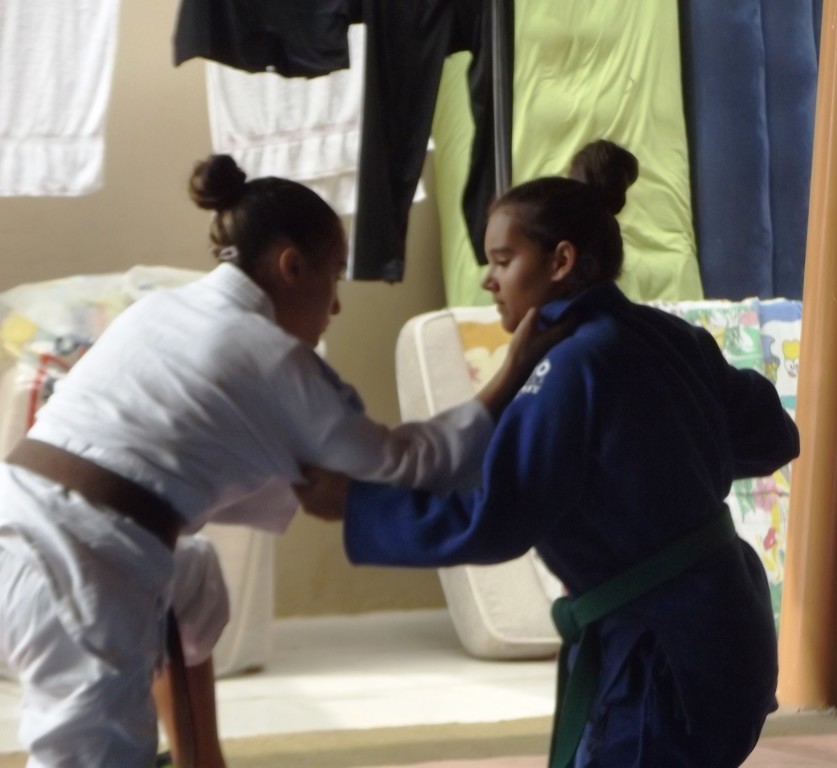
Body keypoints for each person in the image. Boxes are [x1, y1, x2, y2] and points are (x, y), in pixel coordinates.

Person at [0, 153, 563, 768]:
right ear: (292, 267)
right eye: (335, 278)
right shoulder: (270, 354)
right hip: (79, 566)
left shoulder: (159, 310)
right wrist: (509, 374)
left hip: (21, 519)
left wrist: (317, 487)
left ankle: (199, 756)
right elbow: (410, 463)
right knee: (92, 757)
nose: (336, 306)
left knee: (194, 579)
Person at [338, 141, 801, 767]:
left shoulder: (573, 365)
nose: (488, 278)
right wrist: (675, 467)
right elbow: (773, 434)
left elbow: (495, 517)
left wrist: (356, 509)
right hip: (723, 628)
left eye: (503, 259)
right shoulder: (669, 336)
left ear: (561, 261)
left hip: (659, 657)